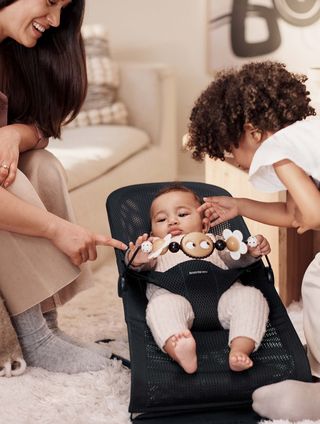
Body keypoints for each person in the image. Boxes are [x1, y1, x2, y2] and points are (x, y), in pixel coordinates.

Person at [186, 60, 320, 420]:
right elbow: (296, 216)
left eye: (231, 151)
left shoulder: (280, 146)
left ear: (253, 132)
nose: (234, 161)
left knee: (317, 281)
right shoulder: (303, 138)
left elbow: (313, 216)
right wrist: (241, 205)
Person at [0, 0, 127, 375]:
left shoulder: (14, 53)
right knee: (12, 178)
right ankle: (36, 340)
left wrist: (12, 134)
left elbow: (40, 127)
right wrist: (60, 230)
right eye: (50, 2)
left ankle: (47, 329)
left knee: (43, 165)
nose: (55, 20)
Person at [127, 185, 270, 374]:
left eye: (183, 214)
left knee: (250, 296)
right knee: (161, 306)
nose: (172, 221)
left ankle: (240, 350)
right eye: (161, 219)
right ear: (153, 233)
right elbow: (139, 266)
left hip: (222, 297)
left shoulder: (216, 240)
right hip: (175, 297)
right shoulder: (155, 248)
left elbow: (236, 260)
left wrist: (250, 252)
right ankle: (180, 351)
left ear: (204, 225)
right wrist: (136, 258)